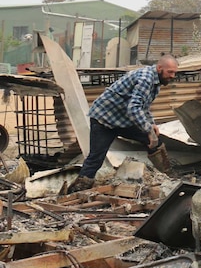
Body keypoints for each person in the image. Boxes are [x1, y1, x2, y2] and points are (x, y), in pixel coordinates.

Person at [67, 54, 180, 193]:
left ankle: (167, 177)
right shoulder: (146, 78)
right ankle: (77, 190)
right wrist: (148, 131)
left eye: (175, 72)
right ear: (159, 68)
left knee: (156, 142)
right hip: (104, 120)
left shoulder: (156, 81)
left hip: (122, 119)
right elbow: (133, 109)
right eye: (170, 72)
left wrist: (152, 124)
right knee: (95, 158)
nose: (173, 75)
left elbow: (144, 106)